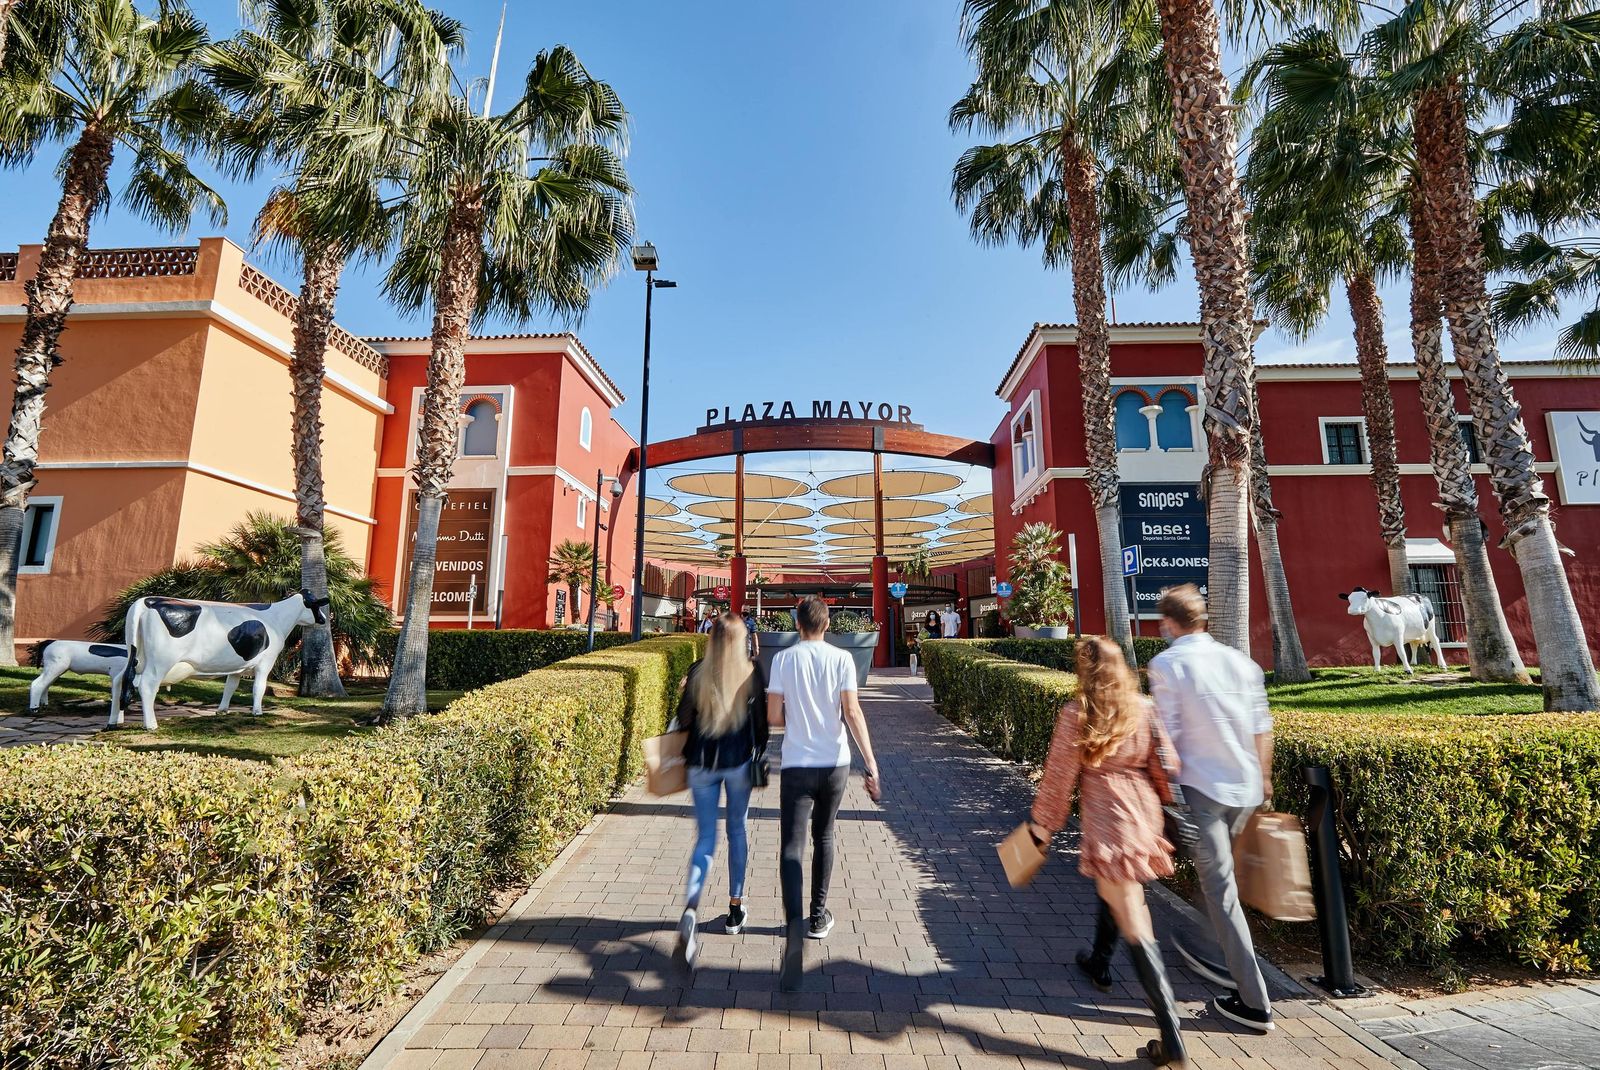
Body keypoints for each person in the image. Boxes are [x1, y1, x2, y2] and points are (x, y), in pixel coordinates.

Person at [1028, 635, 1186, 1066]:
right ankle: (1099, 961)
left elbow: (1059, 783)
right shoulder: (1146, 709)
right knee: (1117, 893)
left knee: (1135, 919)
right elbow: (1166, 771)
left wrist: (1039, 834)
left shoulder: (1079, 714)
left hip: (1109, 821)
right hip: (1143, 815)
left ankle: (1171, 1035)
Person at [1147, 584, 1276, 1034]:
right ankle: (1218, 953)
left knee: (1221, 892)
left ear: (1167, 624)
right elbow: (1263, 727)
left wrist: (1162, 792)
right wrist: (1265, 781)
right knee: (1222, 886)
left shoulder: (1166, 665)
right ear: (1203, 618)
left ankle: (1254, 1002)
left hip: (1203, 791)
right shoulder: (1242, 663)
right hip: (1246, 788)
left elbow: (1168, 736)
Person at [767, 595, 882, 992]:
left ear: (797, 624)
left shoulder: (783, 660)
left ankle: (794, 925)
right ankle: (819, 916)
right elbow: (852, 712)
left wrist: (796, 714)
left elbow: (773, 717)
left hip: (796, 762)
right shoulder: (842, 659)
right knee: (826, 836)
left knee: (791, 845)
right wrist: (871, 763)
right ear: (827, 623)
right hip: (835, 762)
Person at [671, 613, 769, 971]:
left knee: (705, 839)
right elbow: (761, 727)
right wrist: (761, 750)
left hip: (700, 763)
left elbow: (683, 720)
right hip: (739, 762)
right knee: (737, 830)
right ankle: (734, 908)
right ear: (742, 639)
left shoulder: (698, 670)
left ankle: (691, 909)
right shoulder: (752, 672)